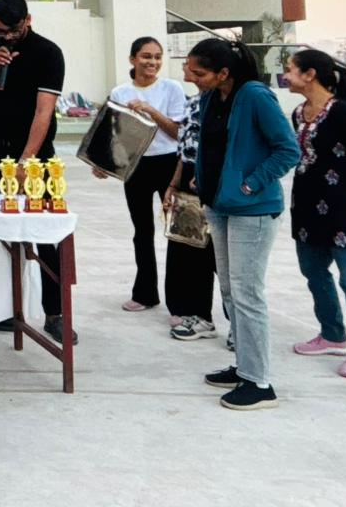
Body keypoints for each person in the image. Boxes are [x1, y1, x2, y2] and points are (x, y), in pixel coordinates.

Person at [188, 38, 299, 411]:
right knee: (230, 290)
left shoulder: (254, 96)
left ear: (223, 73)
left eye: (198, 73)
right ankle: (244, 367)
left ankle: (260, 383)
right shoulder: (212, 97)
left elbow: (288, 150)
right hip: (220, 205)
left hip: (253, 209)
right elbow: (213, 146)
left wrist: (250, 183)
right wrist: (205, 178)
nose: (191, 78)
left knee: (247, 293)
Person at [0, 0, 73, 344]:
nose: (6, 37)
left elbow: (44, 111)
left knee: (45, 235)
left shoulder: (48, 53)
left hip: (33, 155)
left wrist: (26, 161)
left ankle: (55, 313)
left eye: (11, 30)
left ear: (27, 20)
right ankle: (1, 308)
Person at [282, 49, 346, 379]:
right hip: (307, 204)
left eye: (290, 69)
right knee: (313, 270)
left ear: (310, 74)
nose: (285, 76)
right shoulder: (298, 113)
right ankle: (332, 334)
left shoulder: (345, 112)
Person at [100, 37, 188, 315]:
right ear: (133, 59)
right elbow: (116, 135)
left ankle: (181, 302)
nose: (152, 62)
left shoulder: (172, 88)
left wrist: (151, 111)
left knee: (179, 231)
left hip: (169, 164)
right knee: (142, 231)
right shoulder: (120, 92)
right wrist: (104, 164)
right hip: (136, 166)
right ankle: (145, 292)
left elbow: (178, 132)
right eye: (146, 56)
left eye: (157, 57)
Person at [163, 60, 221, 342]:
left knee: (220, 257)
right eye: (189, 68)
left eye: (198, 70)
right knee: (191, 251)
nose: (189, 73)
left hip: (217, 183)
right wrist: (173, 185)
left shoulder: (229, 105)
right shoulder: (193, 102)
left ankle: (240, 327)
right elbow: (183, 149)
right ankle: (199, 316)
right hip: (189, 180)